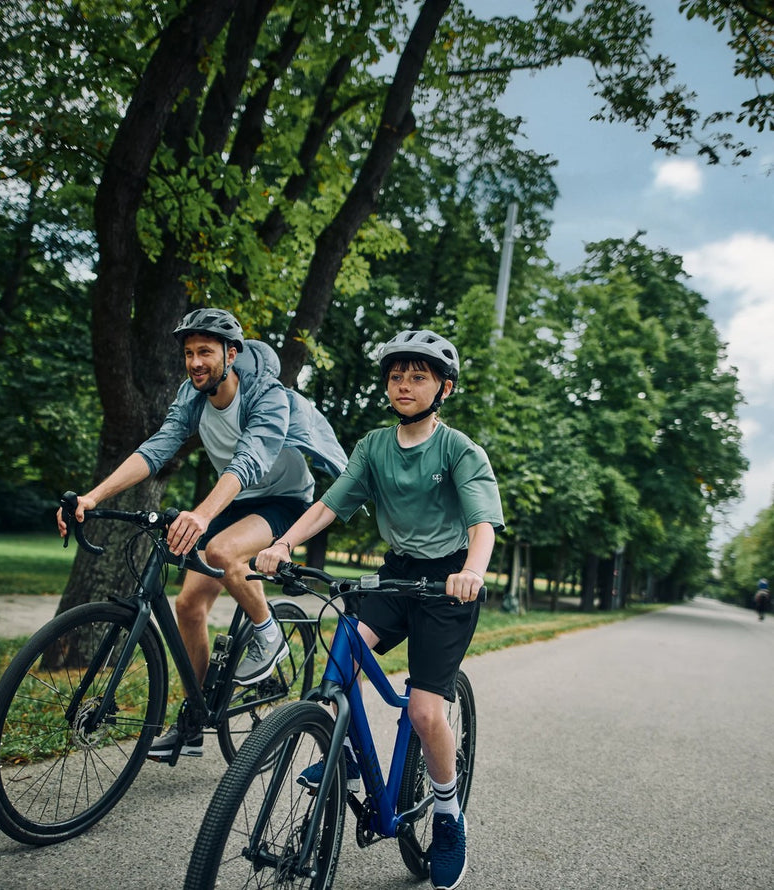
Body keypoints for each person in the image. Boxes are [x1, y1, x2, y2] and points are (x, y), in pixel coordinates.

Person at [255, 329, 504, 890]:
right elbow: (329, 503)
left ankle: (446, 814)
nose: (404, 384)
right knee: (344, 641)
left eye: (418, 376)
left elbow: (481, 525)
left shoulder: (460, 450)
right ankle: (339, 744)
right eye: (397, 375)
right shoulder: (373, 445)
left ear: (444, 388)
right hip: (395, 575)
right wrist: (282, 545)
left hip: (446, 586)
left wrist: (472, 573)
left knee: (422, 712)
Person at [57, 307, 347, 759]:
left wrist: (202, 514)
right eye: (189, 353)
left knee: (222, 551)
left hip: (284, 502)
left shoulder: (266, 394)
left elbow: (250, 458)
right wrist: (94, 497)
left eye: (206, 352)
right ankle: (193, 723)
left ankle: (268, 634)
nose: (195, 362)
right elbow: (158, 447)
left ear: (232, 354)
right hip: (234, 500)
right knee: (188, 605)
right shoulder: (192, 396)